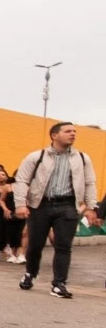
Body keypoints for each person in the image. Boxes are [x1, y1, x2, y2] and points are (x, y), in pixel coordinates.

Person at [14, 122, 100, 298]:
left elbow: (90, 183)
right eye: (68, 131)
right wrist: (20, 204)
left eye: (74, 131)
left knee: (63, 246)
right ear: (54, 135)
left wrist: (91, 207)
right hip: (40, 205)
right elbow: (21, 180)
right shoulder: (36, 157)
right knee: (35, 244)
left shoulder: (83, 158)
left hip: (68, 206)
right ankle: (30, 273)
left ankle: (59, 284)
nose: (73, 134)